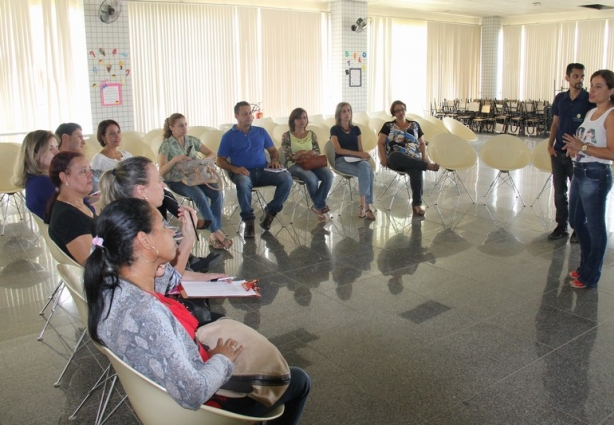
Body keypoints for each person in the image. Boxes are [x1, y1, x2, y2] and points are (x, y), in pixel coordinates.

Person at [84, 198, 310, 422]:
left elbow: (166, 282)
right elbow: (192, 392)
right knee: (298, 380)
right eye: (164, 227)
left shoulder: (112, 286)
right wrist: (222, 359)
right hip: (201, 411)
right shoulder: (148, 313)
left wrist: (188, 238)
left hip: (161, 398)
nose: (172, 232)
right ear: (144, 240)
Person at [98, 156, 223, 277]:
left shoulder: (131, 216)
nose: (163, 185)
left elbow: (168, 274)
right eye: (158, 180)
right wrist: (189, 237)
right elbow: (169, 281)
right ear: (141, 191)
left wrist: (207, 278)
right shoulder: (138, 231)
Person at [562, 69, 614, 289]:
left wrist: (582, 147)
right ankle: (585, 267)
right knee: (575, 221)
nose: (591, 89)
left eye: (598, 86)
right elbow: (585, 144)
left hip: (596, 174)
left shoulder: (610, 115)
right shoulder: (590, 112)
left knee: (595, 227)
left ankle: (591, 275)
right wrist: (574, 149)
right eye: (591, 85)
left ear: (611, 91)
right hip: (580, 170)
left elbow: (611, 152)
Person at [217, 102, 293, 237]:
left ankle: (270, 212)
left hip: (263, 171)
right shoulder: (228, 136)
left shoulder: (261, 132)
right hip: (243, 173)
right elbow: (220, 160)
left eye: (250, 113)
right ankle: (248, 220)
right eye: (244, 114)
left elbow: (273, 151)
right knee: (243, 182)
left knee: (287, 178)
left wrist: (274, 160)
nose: (249, 116)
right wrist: (234, 169)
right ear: (236, 116)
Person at [159, 113, 231, 249]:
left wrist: (202, 161)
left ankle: (213, 235)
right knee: (199, 195)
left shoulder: (192, 140)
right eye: (180, 125)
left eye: (185, 124)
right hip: (176, 181)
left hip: (195, 178)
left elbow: (211, 153)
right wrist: (175, 160)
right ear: (171, 128)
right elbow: (161, 170)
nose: (184, 128)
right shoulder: (166, 146)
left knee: (216, 193)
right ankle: (216, 231)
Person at [547, 63, 594, 242]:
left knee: (579, 193)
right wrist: (550, 146)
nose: (580, 80)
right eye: (576, 76)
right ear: (567, 78)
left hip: (578, 156)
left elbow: (591, 129)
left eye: (582, 77)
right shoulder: (560, 99)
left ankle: (578, 228)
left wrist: (581, 149)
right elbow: (555, 124)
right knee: (559, 193)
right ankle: (561, 226)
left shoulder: (588, 100)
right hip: (558, 154)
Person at [377, 100, 439, 217]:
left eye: (402, 109)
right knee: (397, 155)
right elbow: (380, 143)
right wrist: (382, 158)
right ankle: (426, 167)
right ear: (393, 113)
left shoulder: (415, 125)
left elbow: (421, 143)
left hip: (413, 158)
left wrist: (425, 157)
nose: (400, 112)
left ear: (405, 110)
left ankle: (417, 204)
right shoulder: (388, 126)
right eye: (397, 111)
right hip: (395, 158)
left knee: (416, 168)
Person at [281, 108, 333, 222]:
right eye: (299, 118)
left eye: (304, 117)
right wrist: (305, 153)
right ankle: (319, 206)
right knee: (311, 178)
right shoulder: (287, 136)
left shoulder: (311, 134)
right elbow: (288, 156)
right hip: (294, 165)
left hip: (312, 163)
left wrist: (302, 153)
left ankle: (317, 206)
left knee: (329, 175)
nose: (302, 120)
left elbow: (316, 151)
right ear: (293, 120)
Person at [45, 151, 95, 265]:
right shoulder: (68, 218)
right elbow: (93, 264)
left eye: (89, 169)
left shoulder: (77, 202)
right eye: (83, 171)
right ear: (64, 177)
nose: (90, 174)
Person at [330, 102, 376, 220]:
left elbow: (360, 149)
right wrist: (358, 154)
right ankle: (366, 206)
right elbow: (338, 150)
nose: (347, 113)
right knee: (367, 171)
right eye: (344, 111)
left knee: (366, 167)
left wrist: (364, 156)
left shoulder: (356, 129)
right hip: (341, 161)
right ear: (339, 114)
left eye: (349, 111)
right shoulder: (334, 130)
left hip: (356, 160)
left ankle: (363, 206)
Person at [13, 130, 59, 219]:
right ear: (34, 153)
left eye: (57, 147)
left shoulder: (35, 180)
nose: (57, 152)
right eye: (50, 148)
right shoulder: (43, 183)